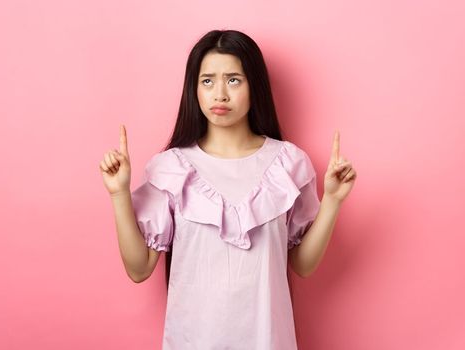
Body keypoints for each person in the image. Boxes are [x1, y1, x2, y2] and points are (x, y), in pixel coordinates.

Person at [98, 29, 357, 349]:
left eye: (233, 80)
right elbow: (138, 269)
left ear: (255, 87)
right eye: (207, 81)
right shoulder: (171, 168)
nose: (219, 93)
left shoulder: (289, 163)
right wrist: (118, 193)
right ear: (194, 89)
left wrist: (332, 200)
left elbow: (302, 265)